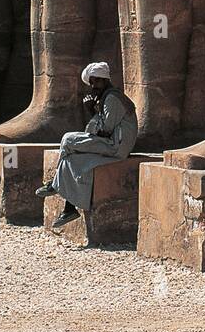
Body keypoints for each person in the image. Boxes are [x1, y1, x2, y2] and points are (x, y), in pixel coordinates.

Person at [36, 62, 138, 229]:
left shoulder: (112, 98)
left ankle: (55, 184)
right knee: (73, 159)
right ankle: (69, 209)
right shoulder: (107, 97)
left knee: (68, 140)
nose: (93, 86)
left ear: (104, 80)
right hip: (112, 144)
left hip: (115, 147)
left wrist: (91, 110)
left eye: (95, 82)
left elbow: (104, 130)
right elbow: (95, 129)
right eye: (91, 83)